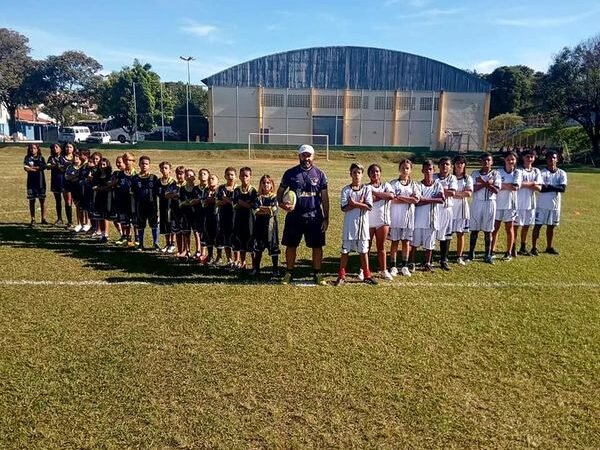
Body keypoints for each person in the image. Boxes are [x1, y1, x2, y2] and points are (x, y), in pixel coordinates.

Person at [277, 144, 329, 285]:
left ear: (313, 156)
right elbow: (280, 193)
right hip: (295, 217)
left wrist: (326, 217)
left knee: (317, 246)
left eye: (309, 155)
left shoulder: (320, 174)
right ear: (299, 156)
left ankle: (317, 274)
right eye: (304, 155)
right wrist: (282, 204)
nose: (306, 158)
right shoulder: (290, 173)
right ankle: (289, 272)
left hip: (314, 217)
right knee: (291, 245)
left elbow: (324, 197)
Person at [334, 163, 377, 285]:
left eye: (359, 172)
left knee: (364, 251)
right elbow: (344, 208)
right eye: (354, 172)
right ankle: (341, 276)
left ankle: (367, 275)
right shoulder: (346, 190)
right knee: (345, 251)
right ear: (350, 174)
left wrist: (354, 203)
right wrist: (358, 204)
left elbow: (369, 206)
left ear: (362, 174)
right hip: (349, 226)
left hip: (363, 226)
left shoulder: (367, 189)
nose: (356, 175)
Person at [467, 152, 501, 264]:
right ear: (480, 162)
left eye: (488, 160)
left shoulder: (496, 174)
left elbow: (496, 190)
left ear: (492, 162)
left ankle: (488, 255)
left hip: (490, 203)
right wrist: (486, 184)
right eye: (484, 160)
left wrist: (483, 183)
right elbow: (472, 189)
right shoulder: (475, 173)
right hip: (477, 203)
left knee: (488, 230)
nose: (486, 162)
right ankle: (471, 253)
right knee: (474, 229)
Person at [531, 151, 567, 255]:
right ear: (546, 160)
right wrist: (554, 187)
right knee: (537, 226)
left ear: (557, 159)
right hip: (542, 204)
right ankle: (534, 247)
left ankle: (549, 247)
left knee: (551, 226)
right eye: (549, 158)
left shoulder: (562, 173)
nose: (551, 160)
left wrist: (548, 186)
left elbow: (563, 188)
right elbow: (541, 188)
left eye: (554, 158)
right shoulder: (541, 173)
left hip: (555, 205)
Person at [411, 160, 444, 272]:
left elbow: (441, 200)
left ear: (433, 170)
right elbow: (417, 202)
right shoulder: (418, 185)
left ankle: (427, 263)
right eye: (426, 169)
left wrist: (425, 199)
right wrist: (433, 199)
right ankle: (412, 262)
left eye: (430, 169)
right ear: (422, 171)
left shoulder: (438, 185)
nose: (428, 172)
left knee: (430, 244)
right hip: (418, 219)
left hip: (432, 219)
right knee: (414, 243)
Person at [388, 159, 420, 276]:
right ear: (399, 169)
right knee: (395, 242)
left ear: (410, 170)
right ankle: (393, 266)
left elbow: (416, 200)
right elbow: (392, 200)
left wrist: (400, 197)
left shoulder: (414, 185)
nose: (405, 170)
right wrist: (408, 199)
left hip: (408, 219)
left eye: (407, 168)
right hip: (395, 218)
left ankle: (405, 266)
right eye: (403, 168)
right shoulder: (393, 184)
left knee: (406, 242)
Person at [491, 151, 521, 261]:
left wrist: (502, 186)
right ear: (505, 160)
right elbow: (495, 186)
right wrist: (507, 186)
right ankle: (492, 250)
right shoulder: (498, 172)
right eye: (508, 159)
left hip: (510, 205)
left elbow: (515, 187)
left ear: (516, 161)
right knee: (495, 229)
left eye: (512, 159)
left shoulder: (517, 173)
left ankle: (508, 252)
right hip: (498, 204)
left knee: (509, 229)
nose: (510, 161)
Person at [366, 164, 394, 280]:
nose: (375, 174)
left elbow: (391, 196)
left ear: (380, 173)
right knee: (366, 247)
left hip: (382, 221)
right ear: (369, 174)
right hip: (368, 221)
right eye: (372, 172)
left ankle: (383, 270)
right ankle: (364, 270)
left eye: (377, 171)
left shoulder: (386, 185)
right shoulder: (366, 187)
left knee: (381, 246)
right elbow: (369, 200)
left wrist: (376, 193)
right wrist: (383, 196)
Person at [250, 174, 281, 277]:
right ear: (260, 184)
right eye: (264, 183)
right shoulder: (257, 197)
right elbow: (255, 210)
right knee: (258, 248)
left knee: (273, 247)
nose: (266, 185)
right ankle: (256, 268)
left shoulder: (275, 197)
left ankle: (275, 269)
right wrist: (266, 209)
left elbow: (273, 210)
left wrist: (264, 209)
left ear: (272, 184)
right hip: (259, 226)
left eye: (268, 183)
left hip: (271, 227)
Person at [515, 149, 542, 256]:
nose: (529, 158)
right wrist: (532, 183)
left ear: (534, 158)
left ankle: (523, 247)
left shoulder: (536, 171)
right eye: (527, 156)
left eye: (532, 156)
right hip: (519, 202)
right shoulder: (519, 171)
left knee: (526, 226)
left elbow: (539, 187)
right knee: (516, 225)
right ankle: (512, 246)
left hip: (530, 203)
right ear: (523, 157)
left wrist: (528, 184)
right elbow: (518, 184)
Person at [131, 155, 160, 251]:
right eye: (142, 163)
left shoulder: (153, 178)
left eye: (146, 164)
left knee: (154, 224)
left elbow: (158, 192)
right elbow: (132, 193)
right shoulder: (135, 178)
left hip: (152, 205)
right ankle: (140, 244)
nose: (144, 165)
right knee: (140, 224)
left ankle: (155, 244)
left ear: (149, 165)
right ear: (139, 164)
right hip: (140, 205)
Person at [434, 157, 458, 270]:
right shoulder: (434, 177)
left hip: (447, 209)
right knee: (432, 234)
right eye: (442, 164)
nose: (445, 166)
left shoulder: (452, 178)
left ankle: (444, 260)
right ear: (438, 166)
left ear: (450, 166)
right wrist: (444, 190)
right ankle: (428, 260)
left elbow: (452, 193)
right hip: (434, 209)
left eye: (447, 164)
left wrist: (438, 190)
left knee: (446, 236)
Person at [232, 167, 257, 270]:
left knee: (251, 240)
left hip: (250, 220)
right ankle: (243, 263)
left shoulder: (253, 191)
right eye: (242, 176)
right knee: (240, 240)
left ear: (250, 177)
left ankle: (254, 264)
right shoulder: (237, 190)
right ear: (239, 177)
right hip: (239, 219)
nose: (244, 178)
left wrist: (241, 202)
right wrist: (244, 203)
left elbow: (252, 205)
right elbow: (234, 204)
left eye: (246, 176)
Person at [451, 155, 473, 265]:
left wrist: (453, 193)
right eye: (457, 163)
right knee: (447, 234)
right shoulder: (450, 177)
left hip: (462, 209)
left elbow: (468, 193)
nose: (459, 165)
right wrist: (460, 194)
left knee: (460, 233)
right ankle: (444, 256)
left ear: (464, 165)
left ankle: (459, 256)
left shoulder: (468, 178)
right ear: (454, 165)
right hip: (449, 209)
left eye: (462, 163)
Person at [216, 167, 237, 268]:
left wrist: (227, 200)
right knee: (226, 236)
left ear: (235, 176)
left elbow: (236, 202)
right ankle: (229, 259)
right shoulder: (221, 188)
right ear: (224, 176)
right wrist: (225, 201)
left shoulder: (238, 189)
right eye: (228, 175)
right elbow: (217, 202)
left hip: (236, 216)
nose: (230, 177)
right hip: (224, 215)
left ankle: (237, 260)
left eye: (232, 175)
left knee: (235, 237)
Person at [23, 143, 48, 225]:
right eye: (31, 148)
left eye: (34, 148)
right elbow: (26, 168)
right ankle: (33, 219)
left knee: (42, 200)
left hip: (40, 182)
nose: (32, 150)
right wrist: (33, 168)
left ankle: (43, 218)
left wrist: (34, 168)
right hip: (31, 182)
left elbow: (43, 167)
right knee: (32, 200)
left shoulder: (41, 158)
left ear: (37, 149)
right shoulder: (27, 158)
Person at [157, 161, 177, 253]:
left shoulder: (173, 182)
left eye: (166, 168)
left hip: (171, 207)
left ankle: (173, 243)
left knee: (171, 224)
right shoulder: (159, 182)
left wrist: (168, 195)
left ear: (170, 170)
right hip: (162, 206)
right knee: (164, 224)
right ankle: (167, 243)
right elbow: (158, 193)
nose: (164, 170)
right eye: (162, 168)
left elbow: (174, 194)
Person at [202, 174, 220, 264]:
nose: (210, 180)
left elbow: (219, 201)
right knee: (208, 235)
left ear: (217, 181)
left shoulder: (220, 190)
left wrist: (211, 200)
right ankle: (210, 255)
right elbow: (203, 202)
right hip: (208, 216)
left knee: (218, 235)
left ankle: (219, 256)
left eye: (213, 178)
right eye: (209, 179)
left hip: (217, 216)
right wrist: (207, 200)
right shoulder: (206, 190)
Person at [47, 143, 66, 225]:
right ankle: (59, 218)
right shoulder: (51, 158)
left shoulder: (64, 158)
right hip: (55, 181)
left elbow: (64, 168)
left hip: (64, 181)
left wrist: (58, 165)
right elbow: (47, 167)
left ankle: (70, 221)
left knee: (67, 201)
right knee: (58, 201)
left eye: (57, 147)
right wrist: (51, 165)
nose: (55, 149)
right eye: (53, 147)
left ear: (61, 148)